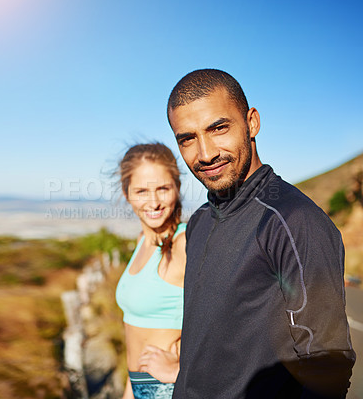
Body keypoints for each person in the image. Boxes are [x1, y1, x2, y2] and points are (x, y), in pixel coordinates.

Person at [166, 69, 356, 399]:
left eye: (218, 128)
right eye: (188, 138)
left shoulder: (294, 220)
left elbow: (328, 366)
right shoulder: (199, 221)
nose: (206, 152)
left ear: (252, 122)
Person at [115, 143, 186, 399]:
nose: (153, 202)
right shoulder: (141, 242)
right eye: (142, 191)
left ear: (177, 189)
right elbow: (135, 337)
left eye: (163, 189)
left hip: (168, 390)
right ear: (127, 194)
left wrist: (181, 370)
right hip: (138, 388)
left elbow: (235, 320)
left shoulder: (183, 244)